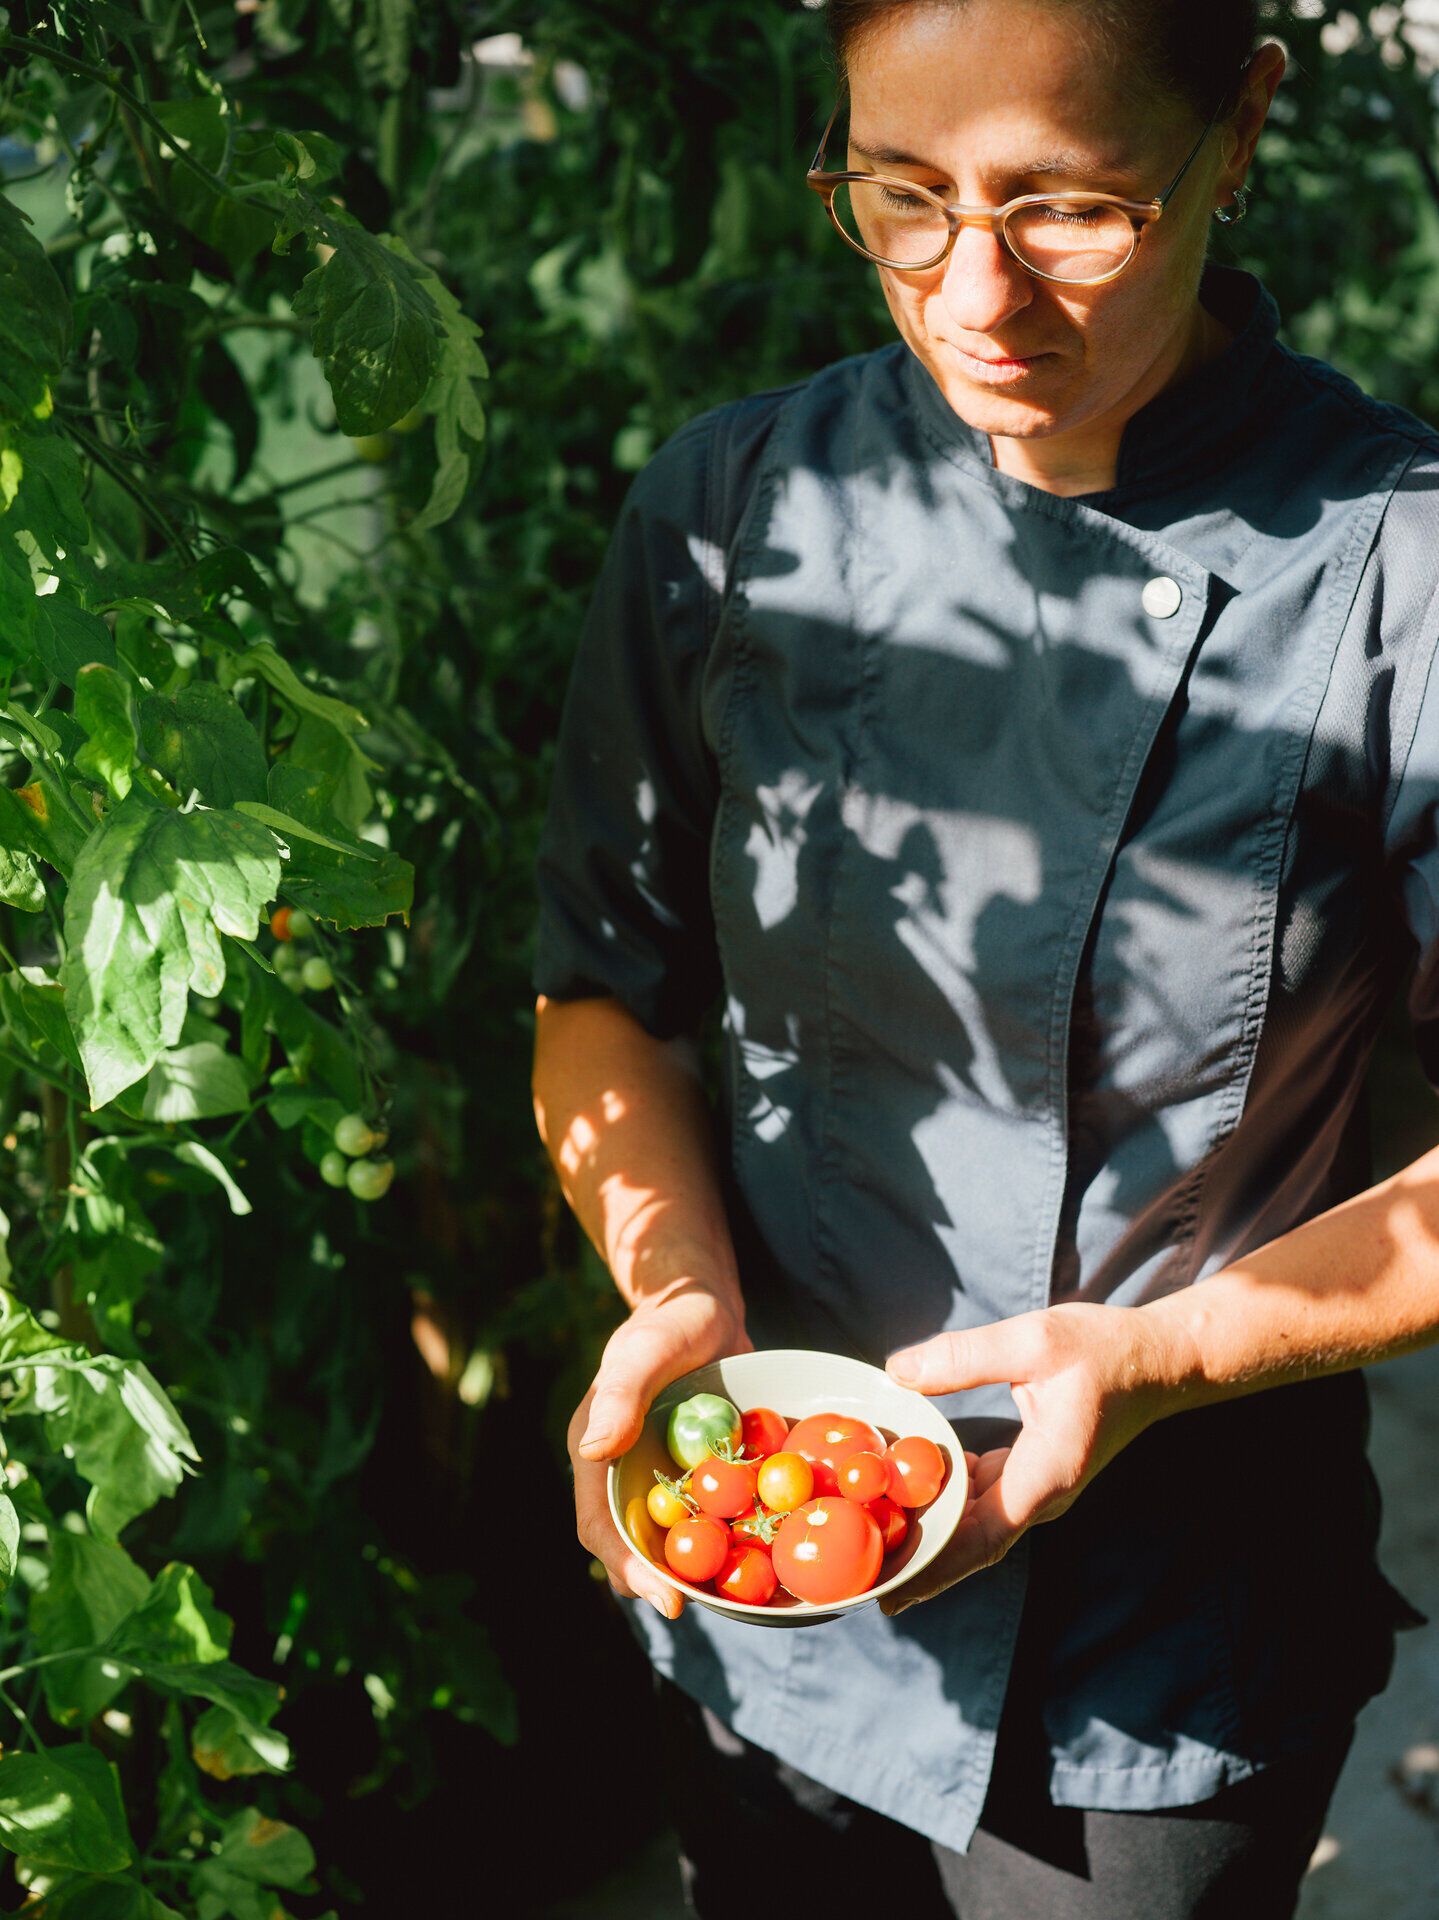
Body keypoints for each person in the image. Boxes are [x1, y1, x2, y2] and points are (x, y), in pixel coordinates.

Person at [528, 2, 1437, 1913]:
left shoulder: (1395, 575)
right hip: (778, 1568)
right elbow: (604, 988)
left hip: (1165, 1641)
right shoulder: (733, 508)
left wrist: (1171, 1352)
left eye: (1071, 209)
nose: (974, 297)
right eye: (902, 197)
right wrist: (678, 1287)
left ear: (1241, 128)